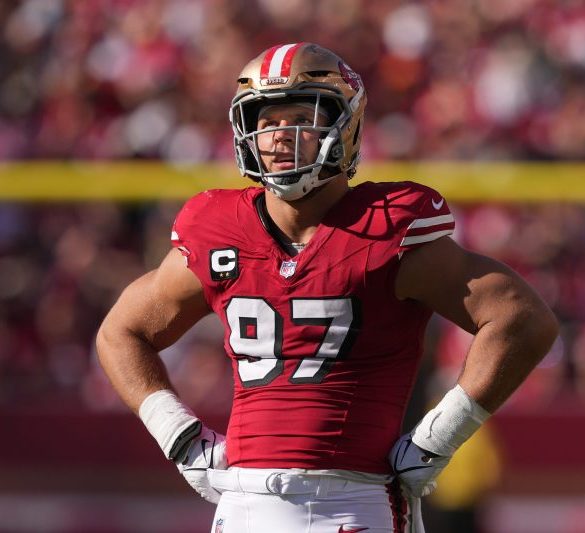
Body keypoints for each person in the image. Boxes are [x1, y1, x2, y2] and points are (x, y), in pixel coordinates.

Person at [96, 43, 558, 533]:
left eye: (302, 117)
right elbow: (120, 333)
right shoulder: (217, 229)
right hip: (243, 504)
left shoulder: (386, 228)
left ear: (347, 125)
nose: (280, 135)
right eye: (267, 120)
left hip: (355, 501)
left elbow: (521, 318)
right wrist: (178, 434)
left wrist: (439, 436)